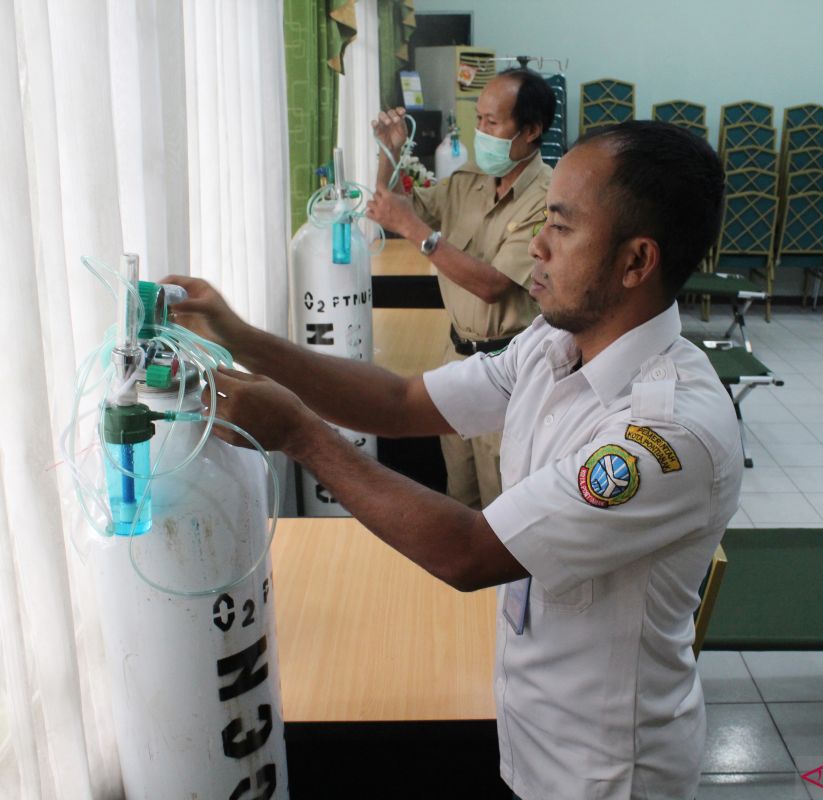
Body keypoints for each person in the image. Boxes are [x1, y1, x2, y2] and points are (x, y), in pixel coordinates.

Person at [165, 120, 741, 800]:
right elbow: (406, 401)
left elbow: (470, 551)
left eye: (561, 226)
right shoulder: (553, 347)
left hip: (607, 769)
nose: (538, 245)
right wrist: (244, 340)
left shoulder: (663, 436)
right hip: (531, 726)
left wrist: (302, 436)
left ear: (635, 262)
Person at [365, 68, 555, 510]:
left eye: (493, 123)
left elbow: (491, 286)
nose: (481, 132)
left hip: (508, 367)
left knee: (500, 504)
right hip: (457, 361)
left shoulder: (545, 198)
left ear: (530, 131)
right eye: (479, 120)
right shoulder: (469, 180)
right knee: (459, 493)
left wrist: (416, 232)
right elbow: (393, 208)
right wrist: (389, 154)